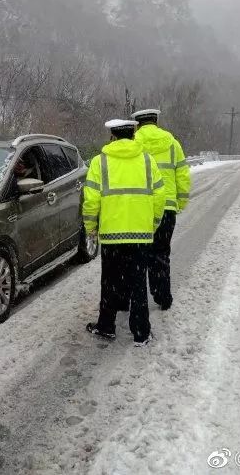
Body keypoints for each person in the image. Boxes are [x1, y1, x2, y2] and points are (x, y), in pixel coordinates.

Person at [82, 119, 165, 346]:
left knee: (109, 281)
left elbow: (91, 200)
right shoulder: (148, 161)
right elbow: (160, 197)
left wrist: (91, 228)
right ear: (133, 134)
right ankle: (141, 332)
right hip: (140, 234)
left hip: (111, 235)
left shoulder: (100, 162)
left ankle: (106, 326)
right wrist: (153, 224)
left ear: (113, 137)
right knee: (138, 283)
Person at [131, 108, 191, 311]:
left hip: (141, 208)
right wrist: (179, 202)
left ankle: (135, 300)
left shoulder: (133, 143)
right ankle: (162, 297)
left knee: (138, 256)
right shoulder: (172, 143)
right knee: (161, 253)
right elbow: (182, 174)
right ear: (156, 122)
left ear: (137, 124)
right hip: (166, 207)